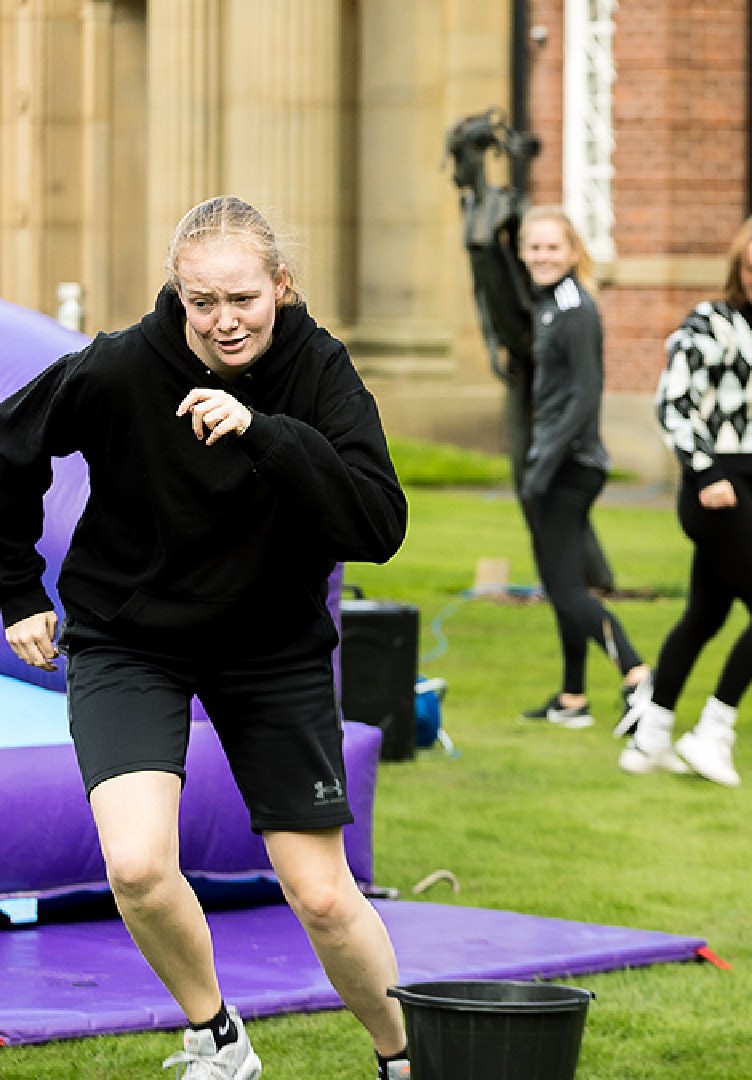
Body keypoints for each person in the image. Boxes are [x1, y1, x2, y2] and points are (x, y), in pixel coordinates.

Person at [0, 196, 411, 1079]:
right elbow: (7, 451)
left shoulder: (320, 370)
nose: (223, 322)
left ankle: (405, 1058)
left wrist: (265, 434)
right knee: (139, 867)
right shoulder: (117, 368)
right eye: (201, 302)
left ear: (281, 288)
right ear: (177, 294)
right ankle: (216, 1037)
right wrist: (16, 590)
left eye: (243, 301)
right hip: (128, 636)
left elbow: (378, 523)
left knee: (324, 897)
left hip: (271, 644)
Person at [617, 212, 752, 785]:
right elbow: (672, 404)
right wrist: (705, 474)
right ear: (738, 271)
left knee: (705, 615)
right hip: (716, 494)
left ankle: (651, 735)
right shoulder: (710, 323)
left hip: (744, 487)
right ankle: (712, 732)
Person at [512, 207, 652, 729]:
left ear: (573, 252)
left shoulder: (575, 309)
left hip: (570, 468)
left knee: (567, 589)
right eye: (535, 247)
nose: (542, 256)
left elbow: (584, 396)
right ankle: (573, 699)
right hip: (558, 464)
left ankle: (637, 672)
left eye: (552, 247)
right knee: (562, 583)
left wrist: (544, 465)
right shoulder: (549, 304)